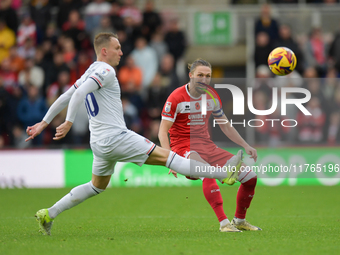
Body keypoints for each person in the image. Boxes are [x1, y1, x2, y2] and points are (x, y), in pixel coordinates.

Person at [25, 33, 243, 235]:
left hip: (100, 143)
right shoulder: (106, 71)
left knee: (95, 186)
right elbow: (79, 93)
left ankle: (49, 214)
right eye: (117, 48)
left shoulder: (89, 70)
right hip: (117, 137)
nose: (121, 52)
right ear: (104, 51)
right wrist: (68, 121)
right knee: (170, 158)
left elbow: (66, 95)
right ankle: (225, 173)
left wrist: (44, 123)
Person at [158, 59, 261, 232]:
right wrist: (169, 159)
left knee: (251, 177)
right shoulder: (176, 97)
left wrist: (245, 145)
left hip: (207, 146)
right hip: (184, 148)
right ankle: (224, 223)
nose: (204, 80)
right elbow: (162, 131)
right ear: (191, 75)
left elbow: (225, 125)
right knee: (208, 173)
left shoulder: (212, 96)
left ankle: (239, 220)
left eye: (208, 76)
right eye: (200, 75)